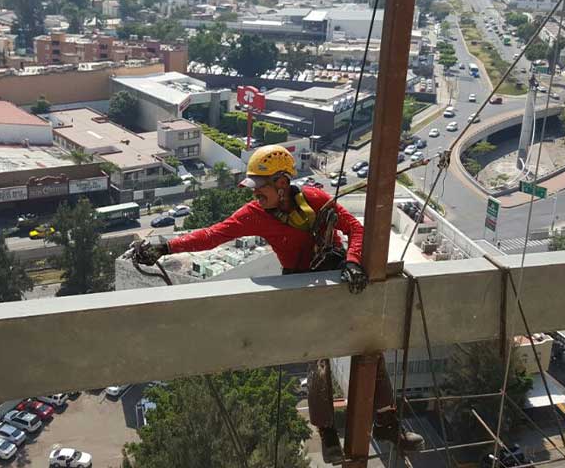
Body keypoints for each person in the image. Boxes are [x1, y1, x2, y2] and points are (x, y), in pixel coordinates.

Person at [131, 144, 424, 462]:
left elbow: (354, 228)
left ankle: (386, 421)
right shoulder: (254, 215)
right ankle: (327, 435)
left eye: (260, 187)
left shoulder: (315, 200)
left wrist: (353, 261)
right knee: (318, 357)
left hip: (337, 276)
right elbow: (213, 235)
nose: (255, 195)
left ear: (282, 183)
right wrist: (166, 246)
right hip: (299, 285)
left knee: (370, 343)